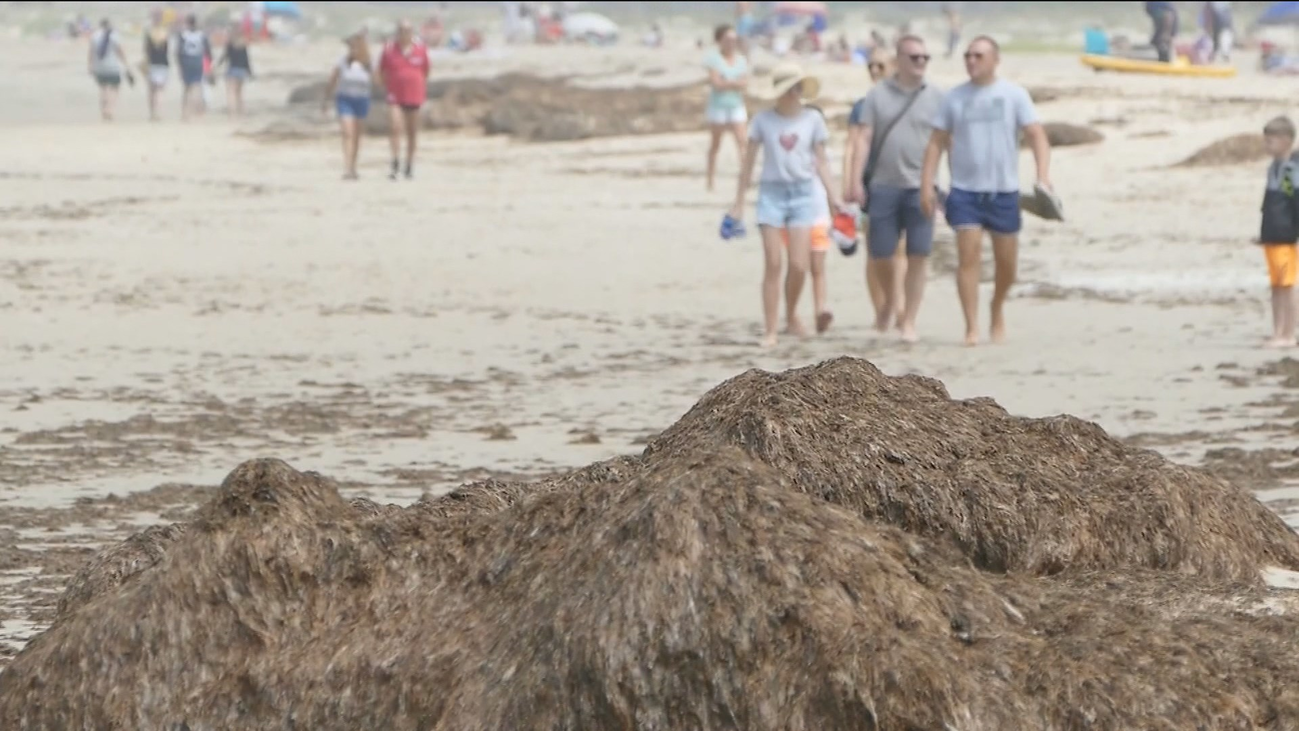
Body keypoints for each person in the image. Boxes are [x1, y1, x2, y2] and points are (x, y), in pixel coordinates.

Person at [920, 36, 1051, 347]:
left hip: (1004, 192)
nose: (971, 61)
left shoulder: (1013, 95)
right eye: (967, 56)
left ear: (995, 59)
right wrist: (927, 183)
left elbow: (1037, 135)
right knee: (969, 259)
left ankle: (996, 308)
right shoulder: (955, 98)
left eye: (978, 55)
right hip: (965, 192)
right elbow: (936, 142)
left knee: (1007, 266)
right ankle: (972, 326)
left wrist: (1043, 176)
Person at [729, 63, 847, 348]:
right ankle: (770, 330)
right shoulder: (762, 120)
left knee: (799, 264)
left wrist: (835, 197)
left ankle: (792, 314)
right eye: (791, 88)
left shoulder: (812, 120)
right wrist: (738, 202)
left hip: (804, 194)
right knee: (773, 263)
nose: (796, 93)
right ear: (780, 92)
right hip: (771, 194)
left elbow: (820, 161)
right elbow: (748, 163)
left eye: (798, 87)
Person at [848, 36, 944, 343]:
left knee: (918, 254)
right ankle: (890, 300)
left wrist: (947, 187)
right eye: (915, 57)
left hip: (921, 187)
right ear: (900, 60)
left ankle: (908, 321)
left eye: (925, 58)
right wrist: (853, 181)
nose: (921, 63)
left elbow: (946, 142)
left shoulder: (937, 97)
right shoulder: (877, 95)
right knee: (881, 254)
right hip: (883, 185)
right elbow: (863, 138)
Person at [845, 54, 906, 331]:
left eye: (881, 65)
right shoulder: (862, 106)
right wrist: (849, 182)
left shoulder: (909, 102)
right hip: (871, 184)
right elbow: (851, 146)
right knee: (874, 250)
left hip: (903, 181)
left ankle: (900, 307)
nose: (875, 70)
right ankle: (881, 308)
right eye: (871, 66)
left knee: (901, 250)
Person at [781, 105, 836, 334]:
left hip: (820, 213)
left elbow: (828, 183)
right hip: (793, 216)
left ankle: (820, 310)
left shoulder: (823, 155)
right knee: (797, 267)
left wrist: (836, 210)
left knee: (818, 267)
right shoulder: (790, 150)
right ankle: (791, 314)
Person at [1258, 116, 1299, 348]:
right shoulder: (1275, 168)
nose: (1266, 146)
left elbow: (1293, 203)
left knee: (1286, 284)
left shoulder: (1289, 170)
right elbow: (1271, 204)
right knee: (1276, 286)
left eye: (1270, 141)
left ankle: (1288, 334)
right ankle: (1277, 331)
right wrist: (1263, 233)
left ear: (1286, 141)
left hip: (1285, 238)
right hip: (1272, 236)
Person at [377, 21, 431, 180]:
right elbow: (381, 71)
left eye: (407, 30)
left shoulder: (420, 50)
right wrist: (387, 86)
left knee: (412, 132)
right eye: (401, 30)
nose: (404, 33)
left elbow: (426, 71)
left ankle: (409, 164)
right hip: (395, 96)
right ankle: (394, 162)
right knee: (395, 127)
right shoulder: (389, 50)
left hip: (414, 95)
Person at [323, 34, 374, 180]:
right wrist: (326, 100)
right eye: (351, 47)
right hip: (345, 99)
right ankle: (347, 167)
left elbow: (378, 81)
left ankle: (353, 166)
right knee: (347, 132)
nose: (353, 49)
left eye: (356, 46)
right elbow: (333, 80)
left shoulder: (368, 63)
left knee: (357, 135)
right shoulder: (342, 61)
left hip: (362, 100)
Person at [705, 24, 749, 192]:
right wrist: (733, 83)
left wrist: (727, 82)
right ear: (720, 40)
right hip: (718, 107)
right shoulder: (714, 59)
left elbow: (744, 82)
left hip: (736, 105)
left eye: (733, 40)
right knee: (716, 144)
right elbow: (716, 83)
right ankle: (710, 179)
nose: (731, 43)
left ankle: (745, 178)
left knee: (742, 143)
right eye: (728, 40)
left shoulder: (741, 60)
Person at [88, 19, 130, 122]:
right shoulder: (114, 35)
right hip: (113, 67)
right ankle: (109, 109)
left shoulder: (95, 36)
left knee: (103, 89)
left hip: (99, 67)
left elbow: (91, 52)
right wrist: (126, 63)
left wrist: (90, 65)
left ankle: (103, 110)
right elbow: (120, 51)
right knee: (114, 89)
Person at [176, 15, 211, 121]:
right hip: (197, 61)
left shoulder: (183, 35)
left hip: (187, 61)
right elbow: (208, 52)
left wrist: (180, 66)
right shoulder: (201, 35)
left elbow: (178, 52)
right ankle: (196, 111)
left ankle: (185, 113)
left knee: (186, 88)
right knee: (197, 86)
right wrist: (209, 65)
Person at [215, 29, 252, 117]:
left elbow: (224, 57)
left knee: (231, 94)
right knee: (240, 94)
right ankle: (242, 113)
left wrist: (217, 66)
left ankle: (232, 114)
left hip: (232, 70)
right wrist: (249, 71)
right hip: (242, 71)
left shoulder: (230, 45)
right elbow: (246, 60)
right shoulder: (243, 45)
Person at [143, 13, 171, 121]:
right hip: (163, 63)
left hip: (152, 63)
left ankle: (152, 113)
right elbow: (167, 50)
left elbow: (146, 50)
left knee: (151, 90)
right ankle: (158, 112)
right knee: (160, 90)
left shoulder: (149, 34)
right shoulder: (165, 34)